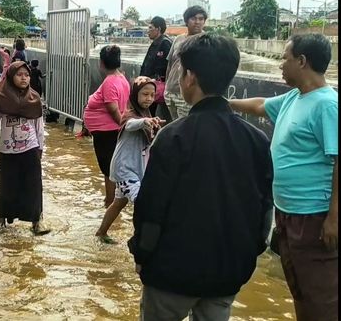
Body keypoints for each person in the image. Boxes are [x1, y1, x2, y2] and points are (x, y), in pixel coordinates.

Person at [128, 34, 273, 321]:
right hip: (227, 272)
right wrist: (248, 253)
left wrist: (142, 255)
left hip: (172, 271)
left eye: (181, 73)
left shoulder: (173, 136)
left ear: (190, 77)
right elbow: (264, 208)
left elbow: (151, 208)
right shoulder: (256, 139)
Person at [229, 33, 338, 321]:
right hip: (288, 213)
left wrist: (334, 218)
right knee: (300, 289)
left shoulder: (327, 105)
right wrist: (224, 103)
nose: (280, 65)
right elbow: (260, 105)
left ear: (302, 62)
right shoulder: (294, 97)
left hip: (314, 215)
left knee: (321, 297)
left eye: (285, 59)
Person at [0, 61, 50, 235]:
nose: (24, 78)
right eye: (20, 74)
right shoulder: (0, 97)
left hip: (30, 149)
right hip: (7, 151)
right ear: (11, 76)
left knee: (33, 186)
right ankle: (2, 220)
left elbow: (39, 126)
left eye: (26, 75)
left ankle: (36, 222)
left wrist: (40, 149)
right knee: (6, 187)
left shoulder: (34, 98)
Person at [98, 80, 162, 244]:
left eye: (152, 95)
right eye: (145, 94)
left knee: (118, 203)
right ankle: (141, 243)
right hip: (124, 170)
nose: (149, 98)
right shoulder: (131, 115)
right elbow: (129, 125)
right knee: (142, 204)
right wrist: (145, 122)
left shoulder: (147, 115)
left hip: (134, 170)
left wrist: (155, 126)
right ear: (135, 95)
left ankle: (101, 232)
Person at [82, 45, 130, 224]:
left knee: (109, 170)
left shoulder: (111, 81)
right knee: (109, 169)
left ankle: (110, 204)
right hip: (107, 131)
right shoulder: (121, 78)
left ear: (101, 63)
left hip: (107, 132)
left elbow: (113, 109)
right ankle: (110, 203)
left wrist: (123, 126)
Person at [163, 5, 207, 120]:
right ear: (186, 21)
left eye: (201, 19)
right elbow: (170, 64)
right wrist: (166, 85)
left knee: (186, 127)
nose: (197, 22)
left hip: (188, 94)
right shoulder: (178, 39)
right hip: (170, 92)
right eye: (193, 18)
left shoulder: (206, 41)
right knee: (174, 125)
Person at [139, 16, 172, 122]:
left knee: (149, 113)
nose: (148, 31)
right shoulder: (155, 43)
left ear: (158, 29)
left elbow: (167, 65)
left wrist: (156, 78)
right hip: (149, 83)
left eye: (150, 28)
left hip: (155, 86)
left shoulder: (165, 43)